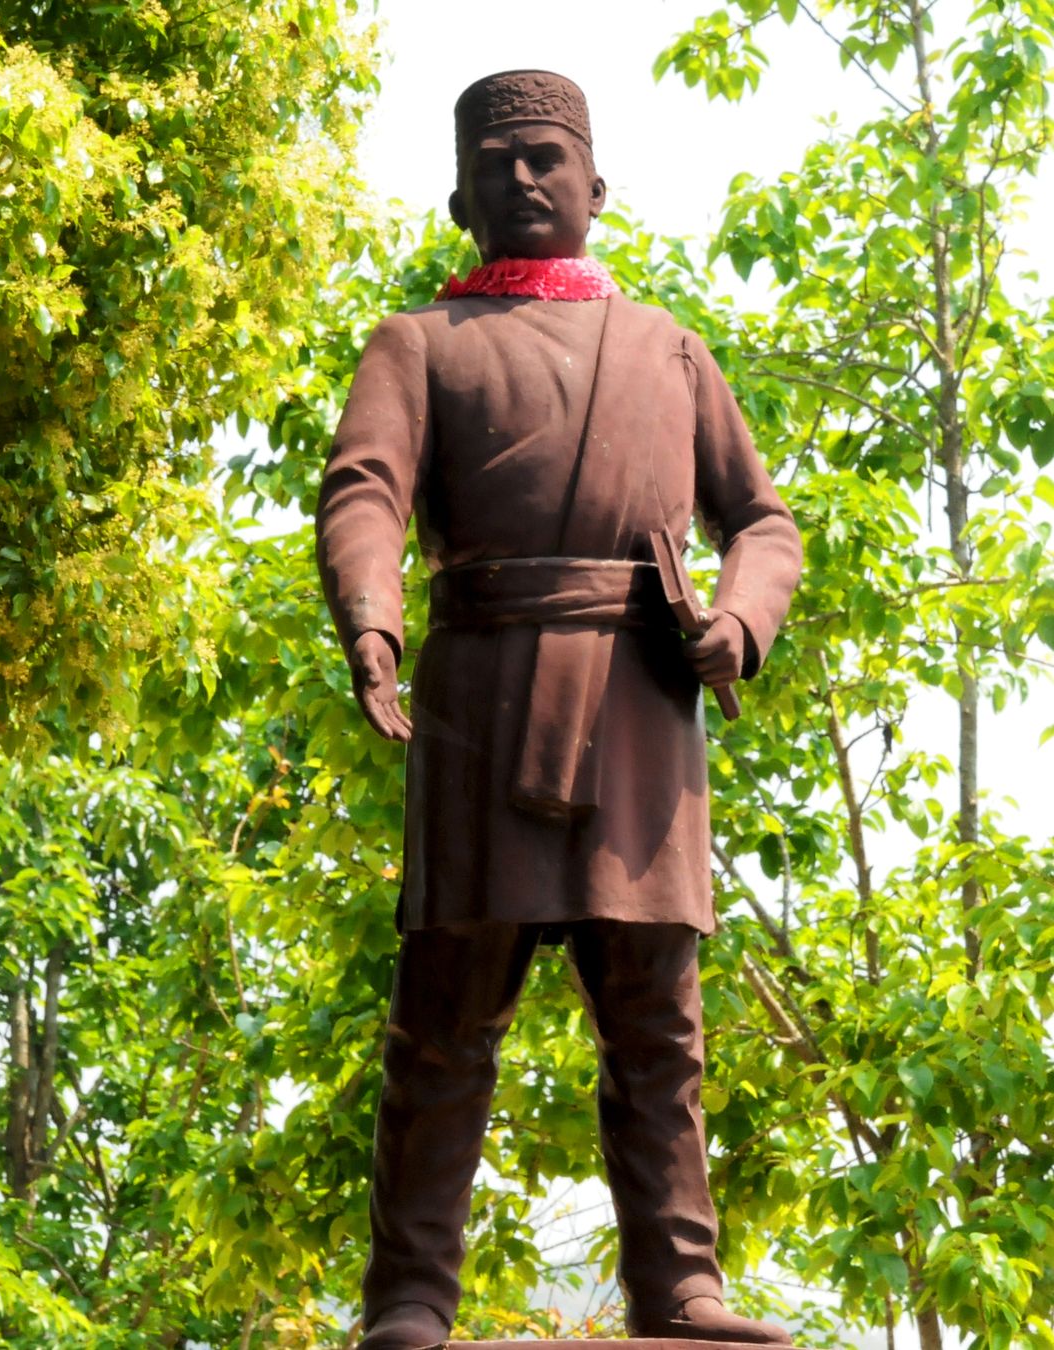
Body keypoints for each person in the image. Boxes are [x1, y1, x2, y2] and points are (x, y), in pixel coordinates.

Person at [316, 70, 803, 1350]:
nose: (524, 179)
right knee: (445, 1015)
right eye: (497, 164)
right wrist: (372, 620)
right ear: (459, 200)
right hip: (482, 696)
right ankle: (410, 1295)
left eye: (546, 157)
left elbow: (762, 521)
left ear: (598, 186)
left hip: (642, 698)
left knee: (658, 1020)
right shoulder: (420, 343)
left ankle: (681, 1286)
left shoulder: (669, 348)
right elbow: (365, 490)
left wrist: (740, 621)